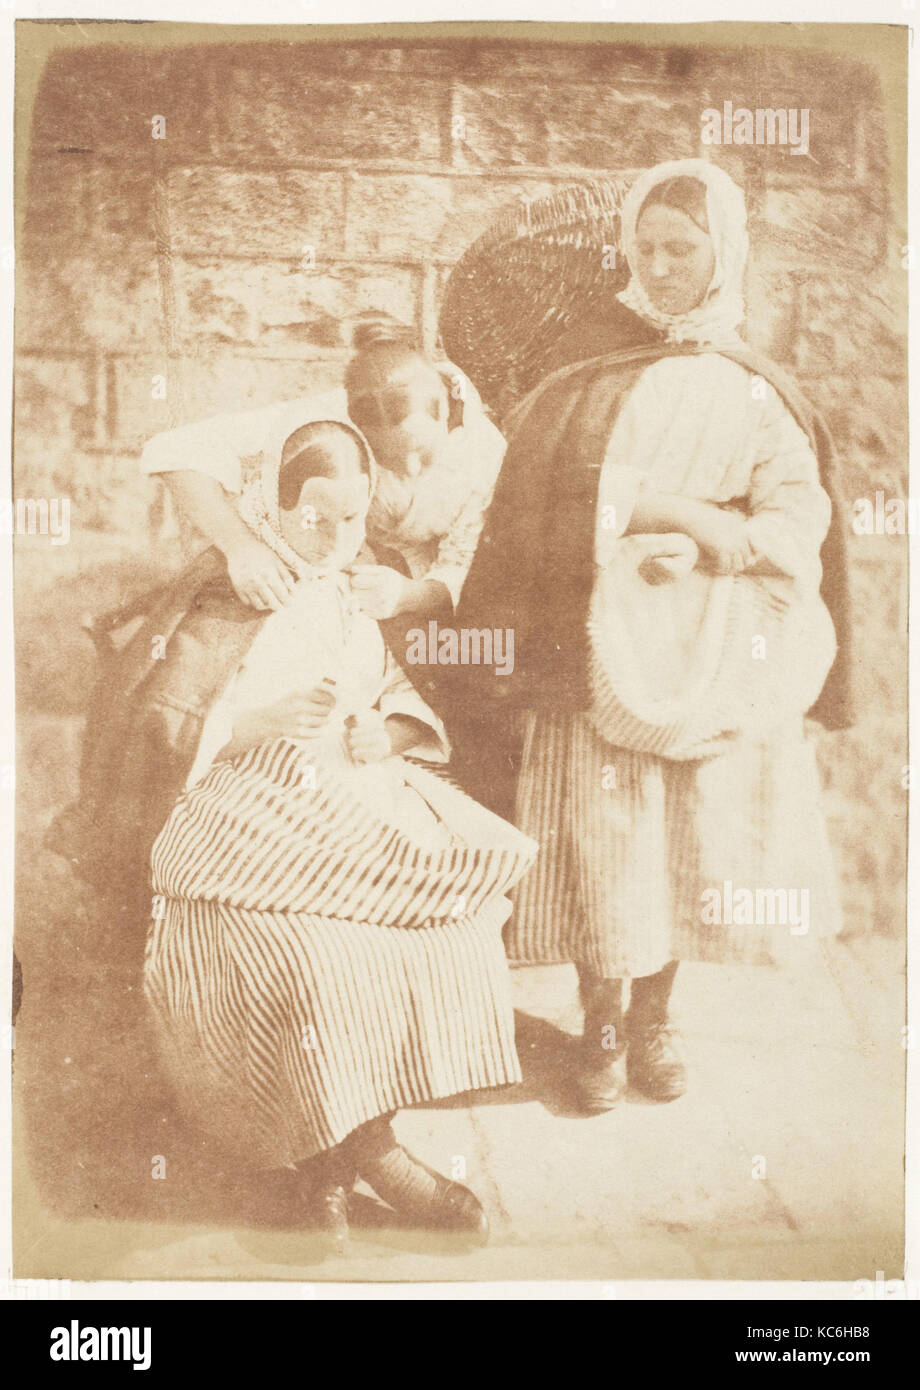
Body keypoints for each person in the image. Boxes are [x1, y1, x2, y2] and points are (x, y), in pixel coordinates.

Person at [456, 159, 852, 1115]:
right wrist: (661, 513)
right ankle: (598, 1025)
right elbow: (543, 502)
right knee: (607, 834)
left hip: (718, 644)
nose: (665, 267)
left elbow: (800, 516)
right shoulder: (586, 375)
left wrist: (723, 542)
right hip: (601, 636)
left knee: (689, 837)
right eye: (648, 249)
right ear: (624, 254)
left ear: (725, 252)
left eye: (684, 248)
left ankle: (656, 1022)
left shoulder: (758, 387)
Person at [142, 412, 536, 1249]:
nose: (330, 537)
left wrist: (385, 732)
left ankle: (343, 1158)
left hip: (350, 807)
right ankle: (359, 1156)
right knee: (307, 961)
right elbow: (168, 722)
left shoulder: (355, 589)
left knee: (450, 933)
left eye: (350, 518)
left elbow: (392, 685)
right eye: (311, 517)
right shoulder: (232, 583)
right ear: (272, 507)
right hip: (238, 812)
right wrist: (257, 721)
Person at [139, 320, 506, 624]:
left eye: (423, 455)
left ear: (443, 411)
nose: (410, 472)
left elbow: (467, 564)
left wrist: (410, 596)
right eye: (389, 459)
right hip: (313, 578)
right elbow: (177, 448)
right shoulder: (330, 415)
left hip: (409, 599)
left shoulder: (488, 453)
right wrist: (241, 547)